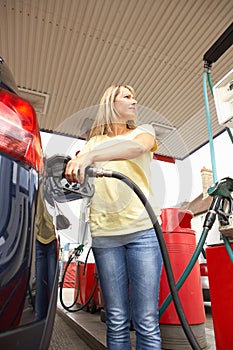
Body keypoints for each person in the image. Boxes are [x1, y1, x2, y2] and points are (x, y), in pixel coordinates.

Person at [65, 85, 163, 349]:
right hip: (105, 235)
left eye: (134, 95)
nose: (135, 100)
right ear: (111, 102)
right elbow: (84, 184)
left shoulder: (144, 132)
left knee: (146, 319)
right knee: (117, 319)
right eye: (127, 96)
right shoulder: (92, 142)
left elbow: (136, 149)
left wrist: (90, 156)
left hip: (143, 231)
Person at [34, 184, 57, 321]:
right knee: (40, 285)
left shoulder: (55, 176)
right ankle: (39, 319)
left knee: (51, 283)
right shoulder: (37, 177)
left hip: (54, 238)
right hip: (39, 237)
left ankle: (50, 320)